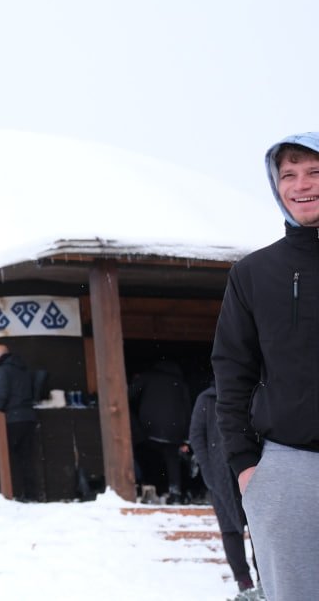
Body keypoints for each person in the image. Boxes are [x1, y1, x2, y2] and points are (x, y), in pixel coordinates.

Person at [212, 132, 319, 601]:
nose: (301, 185)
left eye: (315, 172)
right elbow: (231, 369)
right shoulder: (254, 273)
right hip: (288, 466)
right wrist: (246, 465)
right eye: (288, 175)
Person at [188, 385, 255, 594]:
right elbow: (196, 436)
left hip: (251, 470)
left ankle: (265, 580)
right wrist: (208, 472)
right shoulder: (206, 399)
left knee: (259, 530)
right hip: (220, 476)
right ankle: (244, 583)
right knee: (230, 530)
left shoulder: (249, 391)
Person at [128, 359, 192, 503]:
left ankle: (150, 488)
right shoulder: (180, 383)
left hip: (149, 428)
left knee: (149, 457)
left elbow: (128, 395)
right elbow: (187, 410)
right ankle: (175, 492)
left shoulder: (148, 377)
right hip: (174, 431)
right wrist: (186, 437)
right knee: (172, 460)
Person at [0, 343, 40, 501]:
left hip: (12, 419)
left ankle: (9, 493)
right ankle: (31, 494)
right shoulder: (23, 369)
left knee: (4, 455)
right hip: (28, 418)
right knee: (27, 458)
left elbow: (1, 394)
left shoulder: (2, 370)